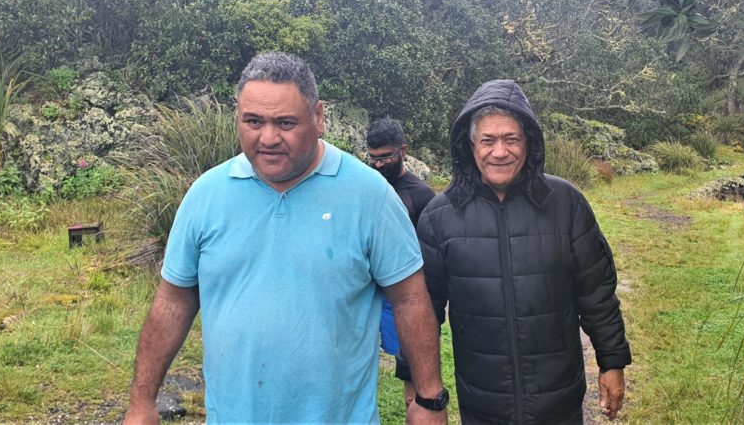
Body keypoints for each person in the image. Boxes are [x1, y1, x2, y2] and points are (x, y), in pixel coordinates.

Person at [123, 52, 448, 424]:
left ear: (319, 116)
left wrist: (429, 400)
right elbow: (173, 302)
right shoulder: (205, 196)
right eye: (254, 121)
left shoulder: (370, 196)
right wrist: (141, 403)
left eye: (285, 122)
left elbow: (409, 299)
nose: (269, 138)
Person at [415, 79, 632, 423]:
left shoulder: (566, 203)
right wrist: (420, 394)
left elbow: (597, 292)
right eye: (487, 140)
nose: (499, 151)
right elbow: (420, 309)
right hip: (483, 405)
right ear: (470, 146)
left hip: (558, 403)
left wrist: (612, 362)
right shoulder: (439, 216)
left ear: (528, 143)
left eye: (510, 139)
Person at [366, 118, 436, 407]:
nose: (380, 165)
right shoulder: (364, 187)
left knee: (408, 364)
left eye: (386, 157)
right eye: (373, 158)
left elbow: (431, 255)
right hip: (365, 291)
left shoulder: (421, 196)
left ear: (403, 151)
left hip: (400, 296)